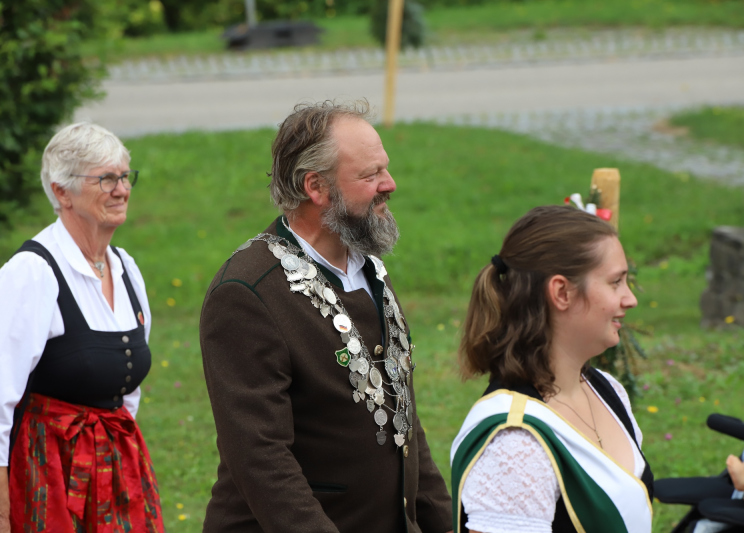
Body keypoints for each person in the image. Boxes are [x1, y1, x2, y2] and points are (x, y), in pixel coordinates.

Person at [199, 101, 453, 533]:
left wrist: (439, 523)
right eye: (370, 175)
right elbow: (261, 458)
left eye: (385, 169)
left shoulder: (369, 270)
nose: (389, 184)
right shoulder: (246, 292)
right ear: (315, 187)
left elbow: (403, 420)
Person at [0, 123, 163, 533]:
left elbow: (126, 392)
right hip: (46, 469)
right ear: (62, 192)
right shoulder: (32, 273)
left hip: (116, 464)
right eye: (106, 179)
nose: (121, 190)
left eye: (125, 176)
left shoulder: (125, 268)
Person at [450, 205, 653, 533]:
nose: (630, 299)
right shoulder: (516, 443)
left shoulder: (606, 390)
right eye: (616, 282)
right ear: (561, 292)